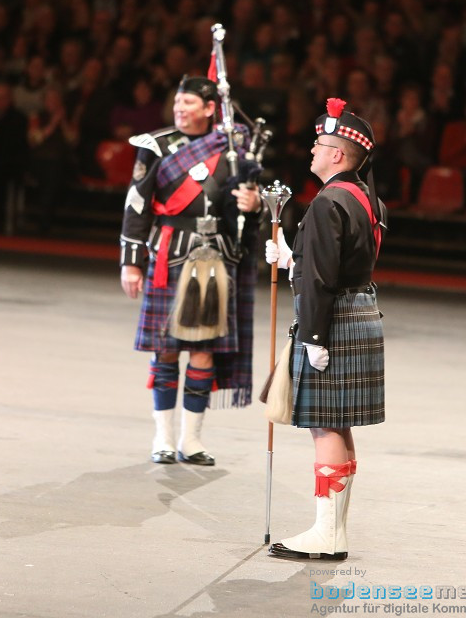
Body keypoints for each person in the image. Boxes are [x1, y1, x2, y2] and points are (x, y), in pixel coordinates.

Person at [264, 97, 386, 561]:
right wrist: (292, 257)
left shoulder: (326, 202)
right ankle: (329, 528)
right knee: (337, 424)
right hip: (359, 311)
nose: (312, 150)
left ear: (338, 153)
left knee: (324, 425)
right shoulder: (363, 196)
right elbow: (339, 262)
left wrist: (313, 338)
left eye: (319, 144)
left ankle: (327, 534)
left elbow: (319, 280)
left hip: (332, 321)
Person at [119, 76, 262, 466]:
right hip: (169, 255)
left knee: (204, 351)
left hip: (215, 257)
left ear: (210, 108)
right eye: (177, 103)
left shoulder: (234, 150)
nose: (180, 109)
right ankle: (162, 438)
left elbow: (247, 207)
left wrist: (254, 204)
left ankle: (191, 441)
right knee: (166, 351)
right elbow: (137, 206)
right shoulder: (156, 146)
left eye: (188, 103)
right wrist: (132, 262)